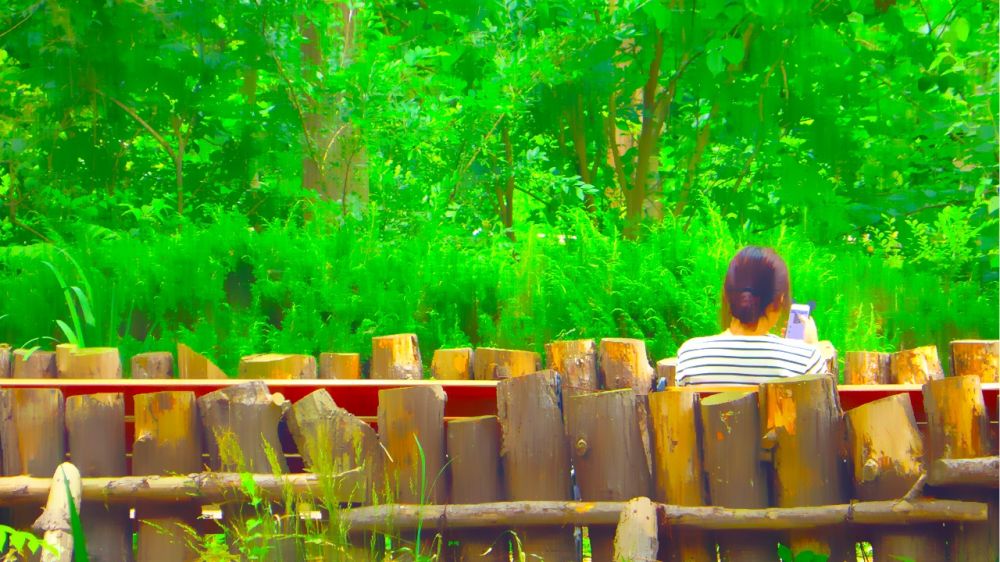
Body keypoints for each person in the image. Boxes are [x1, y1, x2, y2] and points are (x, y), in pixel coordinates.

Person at [675, 246, 830, 386]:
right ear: (780, 299)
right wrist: (810, 347)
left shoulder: (690, 355)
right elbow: (822, 405)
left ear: (728, 295)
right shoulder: (805, 359)